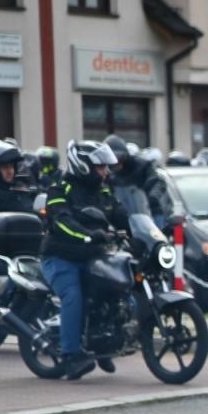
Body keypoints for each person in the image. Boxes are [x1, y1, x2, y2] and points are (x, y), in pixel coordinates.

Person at [41, 140, 129, 380]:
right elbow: (61, 222)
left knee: (114, 290)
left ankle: (103, 343)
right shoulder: (60, 188)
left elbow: (119, 214)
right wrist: (89, 236)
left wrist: (143, 232)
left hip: (94, 256)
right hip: (61, 256)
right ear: (83, 166)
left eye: (105, 167)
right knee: (73, 296)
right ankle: (71, 356)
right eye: (100, 167)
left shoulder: (103, 189)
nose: (105, 171)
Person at [103, 134, 172, 228]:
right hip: (123, 215)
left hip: (149, 212)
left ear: (125, 155)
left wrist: (153, 196)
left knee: (158, 237)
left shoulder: (142, 165)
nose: (117, 162)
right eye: (112, 160)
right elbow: (104, 190)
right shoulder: (107, 172)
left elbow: (157, 182)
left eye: (119, 158)